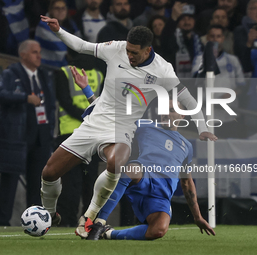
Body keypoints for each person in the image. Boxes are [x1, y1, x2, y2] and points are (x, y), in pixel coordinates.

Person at [39, 15, 217, 239]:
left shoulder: (163, 69)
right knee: (49, 172)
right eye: (128, 50)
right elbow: (83, 46)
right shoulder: (116, 48)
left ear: (147, 49)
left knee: (116, 162)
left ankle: (91, 218)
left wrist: (202, 127)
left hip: (123, 128)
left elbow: (189, 100)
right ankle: (49, 213)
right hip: (95, 122)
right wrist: (59, 30)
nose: (129, 55)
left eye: (134, 52)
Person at [73, 73, 215, 240]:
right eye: (163, 110)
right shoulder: (146, 126)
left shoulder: (187, 146)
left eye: (171, 110)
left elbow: (187, 183)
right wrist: (87, 90)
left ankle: (109, 234)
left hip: (161, 195)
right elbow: (111, 115)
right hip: (143, 178)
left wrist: (198, 217)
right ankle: (98, 223)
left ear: (182, 115)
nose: (166, 114)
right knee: (131, 168)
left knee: (158, 231)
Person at [0, 40, 56, 226]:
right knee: (9, 183)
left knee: (37, 186)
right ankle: (2, 223)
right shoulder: (11, 73)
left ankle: (35, 224)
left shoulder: (44, 75)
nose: (39, 56)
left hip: (40, 138)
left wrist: (50, 132)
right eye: (34, 52)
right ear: (24, 55)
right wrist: (24, 98)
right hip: (16, 137)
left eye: (39, 52)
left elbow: (50, 105)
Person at [55, 52, 103, 227]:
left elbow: (65, 102)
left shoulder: (63, 72)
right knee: (85, 183)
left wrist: (84, 117)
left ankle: (73, 221)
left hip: (73, 133)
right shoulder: (98, 73)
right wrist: (88, 117)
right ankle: (85, 221)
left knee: (76, 183)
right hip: (86, 133)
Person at [192, 25, 246, 138]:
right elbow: (195, 81)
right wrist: (208, 59)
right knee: (210, 151)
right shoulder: (199, 59)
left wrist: (232, 94)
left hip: (230, 115)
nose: (215, 39)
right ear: (207, 38)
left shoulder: (233, 60)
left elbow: (242, 86)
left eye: (218, 36)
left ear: (223, 39)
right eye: (212, 36)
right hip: (208, 115)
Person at [160, 1, 203, 78]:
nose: (186, 22)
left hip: (194, 83)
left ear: (194, 21)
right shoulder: (173, 37)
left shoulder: (199, 40)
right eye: (183, 19)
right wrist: (173, 17)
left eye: (189, 19)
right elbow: (165, 39)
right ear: (178, 22)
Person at [35, 0, 81, 67]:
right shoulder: (44, 25)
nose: (60, 11)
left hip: (64, 68)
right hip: (47, 67)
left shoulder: (70, 23)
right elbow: (60, 49)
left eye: (63, 8)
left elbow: (79, 41)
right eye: (57, 8)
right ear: (50, 10)